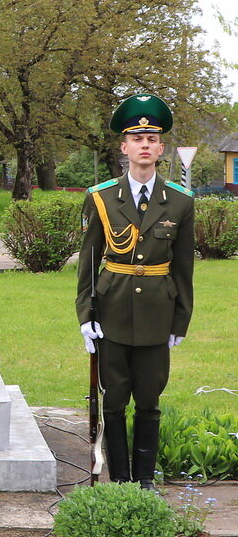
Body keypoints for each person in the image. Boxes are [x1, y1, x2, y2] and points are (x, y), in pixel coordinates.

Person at [76, 93, 193, 489]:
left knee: (149, 402)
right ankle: (120, 480)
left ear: (161, 149)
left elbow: (183, 266)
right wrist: (86, 316)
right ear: (124, 148)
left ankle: (144, 482)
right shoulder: (102, 197)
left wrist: (181, 319)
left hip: (158, 313)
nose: (144, 145)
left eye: (152, 139)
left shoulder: (179, 201)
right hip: (112, 310)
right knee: (113, 401)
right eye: (136, 139)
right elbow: (89, 263)